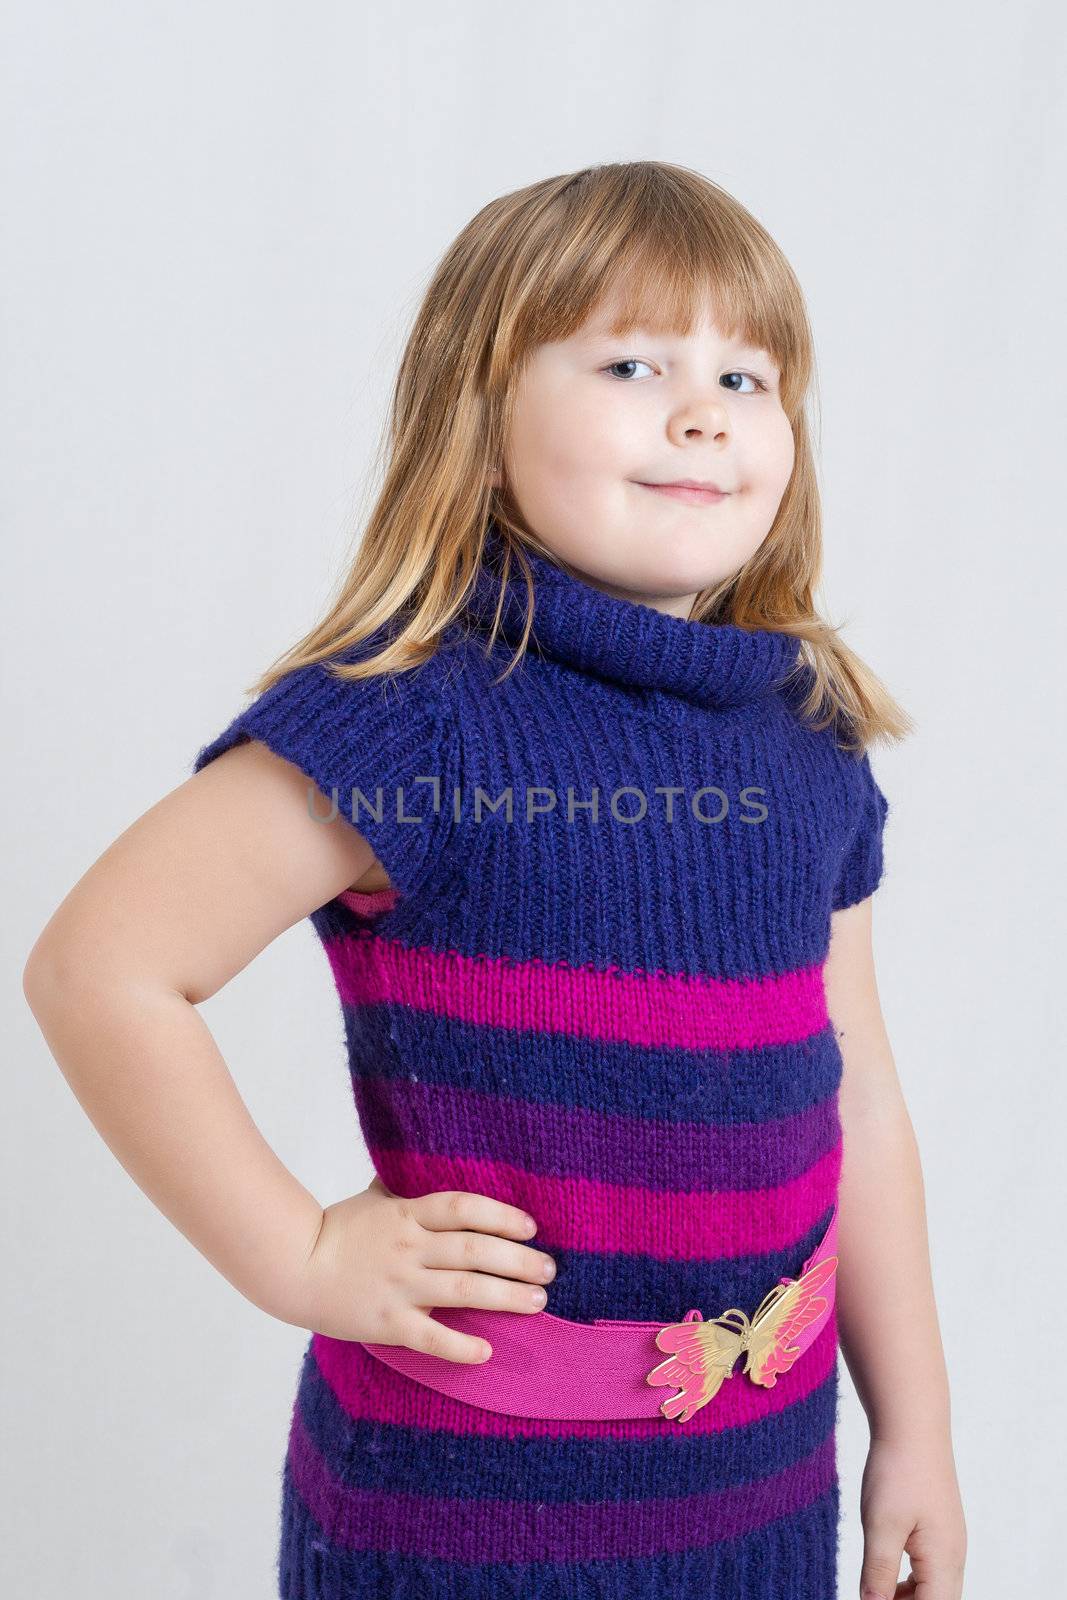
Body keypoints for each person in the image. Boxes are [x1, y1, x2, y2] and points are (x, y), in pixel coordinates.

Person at [22, 160, 966, 1600]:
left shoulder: (808, 736)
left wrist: (919, 1429)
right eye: (633, 361)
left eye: (749, 374)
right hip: (471, 1511)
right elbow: (103, 967)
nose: (703, 409)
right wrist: (302, 1253)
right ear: (479, 411)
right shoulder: (415, 717)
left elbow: (862, 1093)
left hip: (760, 1481)